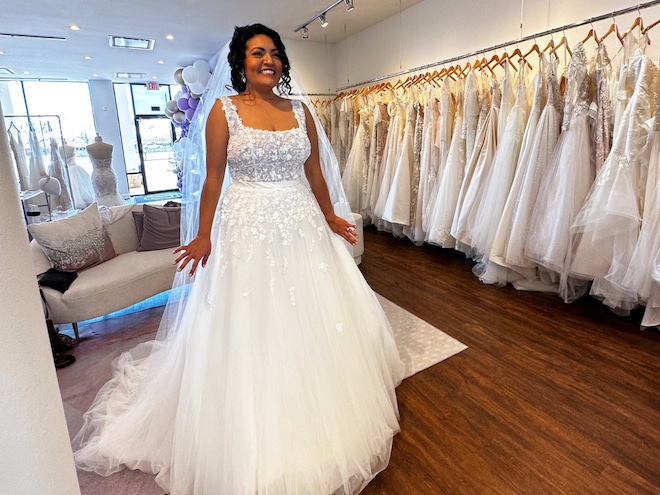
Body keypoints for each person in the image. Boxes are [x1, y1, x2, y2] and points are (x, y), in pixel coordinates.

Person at [74, 24, 404, 495]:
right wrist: (203, 234)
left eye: (274, 53)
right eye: (257, 53)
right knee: (250, 320)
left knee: (313, 313)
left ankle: (318, 401)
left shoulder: (302, 111)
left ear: (282, 62)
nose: (267, 60)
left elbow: (313, 170)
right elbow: (212, 181)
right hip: (246, 221)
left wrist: (330, 214)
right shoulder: (222, 112)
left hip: (300, 220)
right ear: (241, 62)